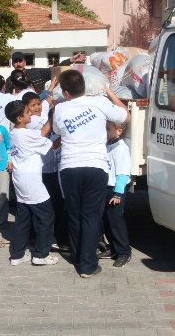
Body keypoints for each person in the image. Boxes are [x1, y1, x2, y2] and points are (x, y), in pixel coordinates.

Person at [52, 70, 130, 278]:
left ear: (66, 92)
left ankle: (78, 257)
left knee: (74, 214)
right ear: (84, 87)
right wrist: (110, 94)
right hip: (96, 167)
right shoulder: (100, 103)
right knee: (91, 217)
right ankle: (87, 265)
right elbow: (126, 116)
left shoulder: (60, 109)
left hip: (70, 168)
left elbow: (58, 132)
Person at [5, 100, 59, 266]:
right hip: (31, 181)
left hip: (20, 180)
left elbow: (41, 133)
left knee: (23, 217)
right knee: (46, 216)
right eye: (28, 112)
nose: (32, 114)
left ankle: (17, 254)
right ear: (20, 118)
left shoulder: (14, 132)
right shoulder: (26, 134)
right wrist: (67, 137)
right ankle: (41, 254)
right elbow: (50, 144)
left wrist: (50, 118)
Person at [22, 92, 69, 250]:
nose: (37, 107)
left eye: (38, 104)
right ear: (25, 108)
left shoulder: (41, 115)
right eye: (33, 105)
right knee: (49, 205)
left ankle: (38, 234)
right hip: (44, 170)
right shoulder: (33, 122)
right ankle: (41, 236)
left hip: (52, 167)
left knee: (53, 204)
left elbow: (48, 107)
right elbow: (47, 124)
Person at [99, 121, 132, 267]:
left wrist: (118, 194)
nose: (105, 131)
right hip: (105, 188)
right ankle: (112, 247)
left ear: (119, 131)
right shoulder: (107, 145)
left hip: (114, 190)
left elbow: (123, 173)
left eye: (108, 129)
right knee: (106, 220)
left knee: (116, 221)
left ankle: (124, 251)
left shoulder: (121, 148)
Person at [8, 51, 86, 94]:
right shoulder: (9, 81)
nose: (18, 64)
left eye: (20, 61)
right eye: (15, 62)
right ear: (12, 64)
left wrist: (70, 60)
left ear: (24, 62)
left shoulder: (37, 73)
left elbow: (54, 69)